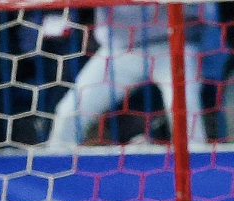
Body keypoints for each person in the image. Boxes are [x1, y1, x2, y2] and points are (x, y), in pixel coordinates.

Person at [45, 4, 206, 148]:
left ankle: (198, 172)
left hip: (172, 46)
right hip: (117, 50)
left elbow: (196, 13)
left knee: (185, 110)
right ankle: (56, 174)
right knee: (68, 113)